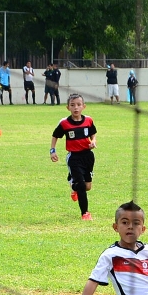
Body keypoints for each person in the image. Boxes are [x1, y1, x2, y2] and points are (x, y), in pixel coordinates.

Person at [51, 93, 97, 221]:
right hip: (74, 158)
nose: (76, 108)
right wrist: (52, 151)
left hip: (88, 156)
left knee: (87, 187)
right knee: (82, 185)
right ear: (68, 108)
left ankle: (73, 184)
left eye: (78, 105)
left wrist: (93, 142)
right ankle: (85, 213)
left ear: (84, 106)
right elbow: (55, 136)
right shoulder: (65, 123)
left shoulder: (88, 120)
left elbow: (93, 134)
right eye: (72, 105)